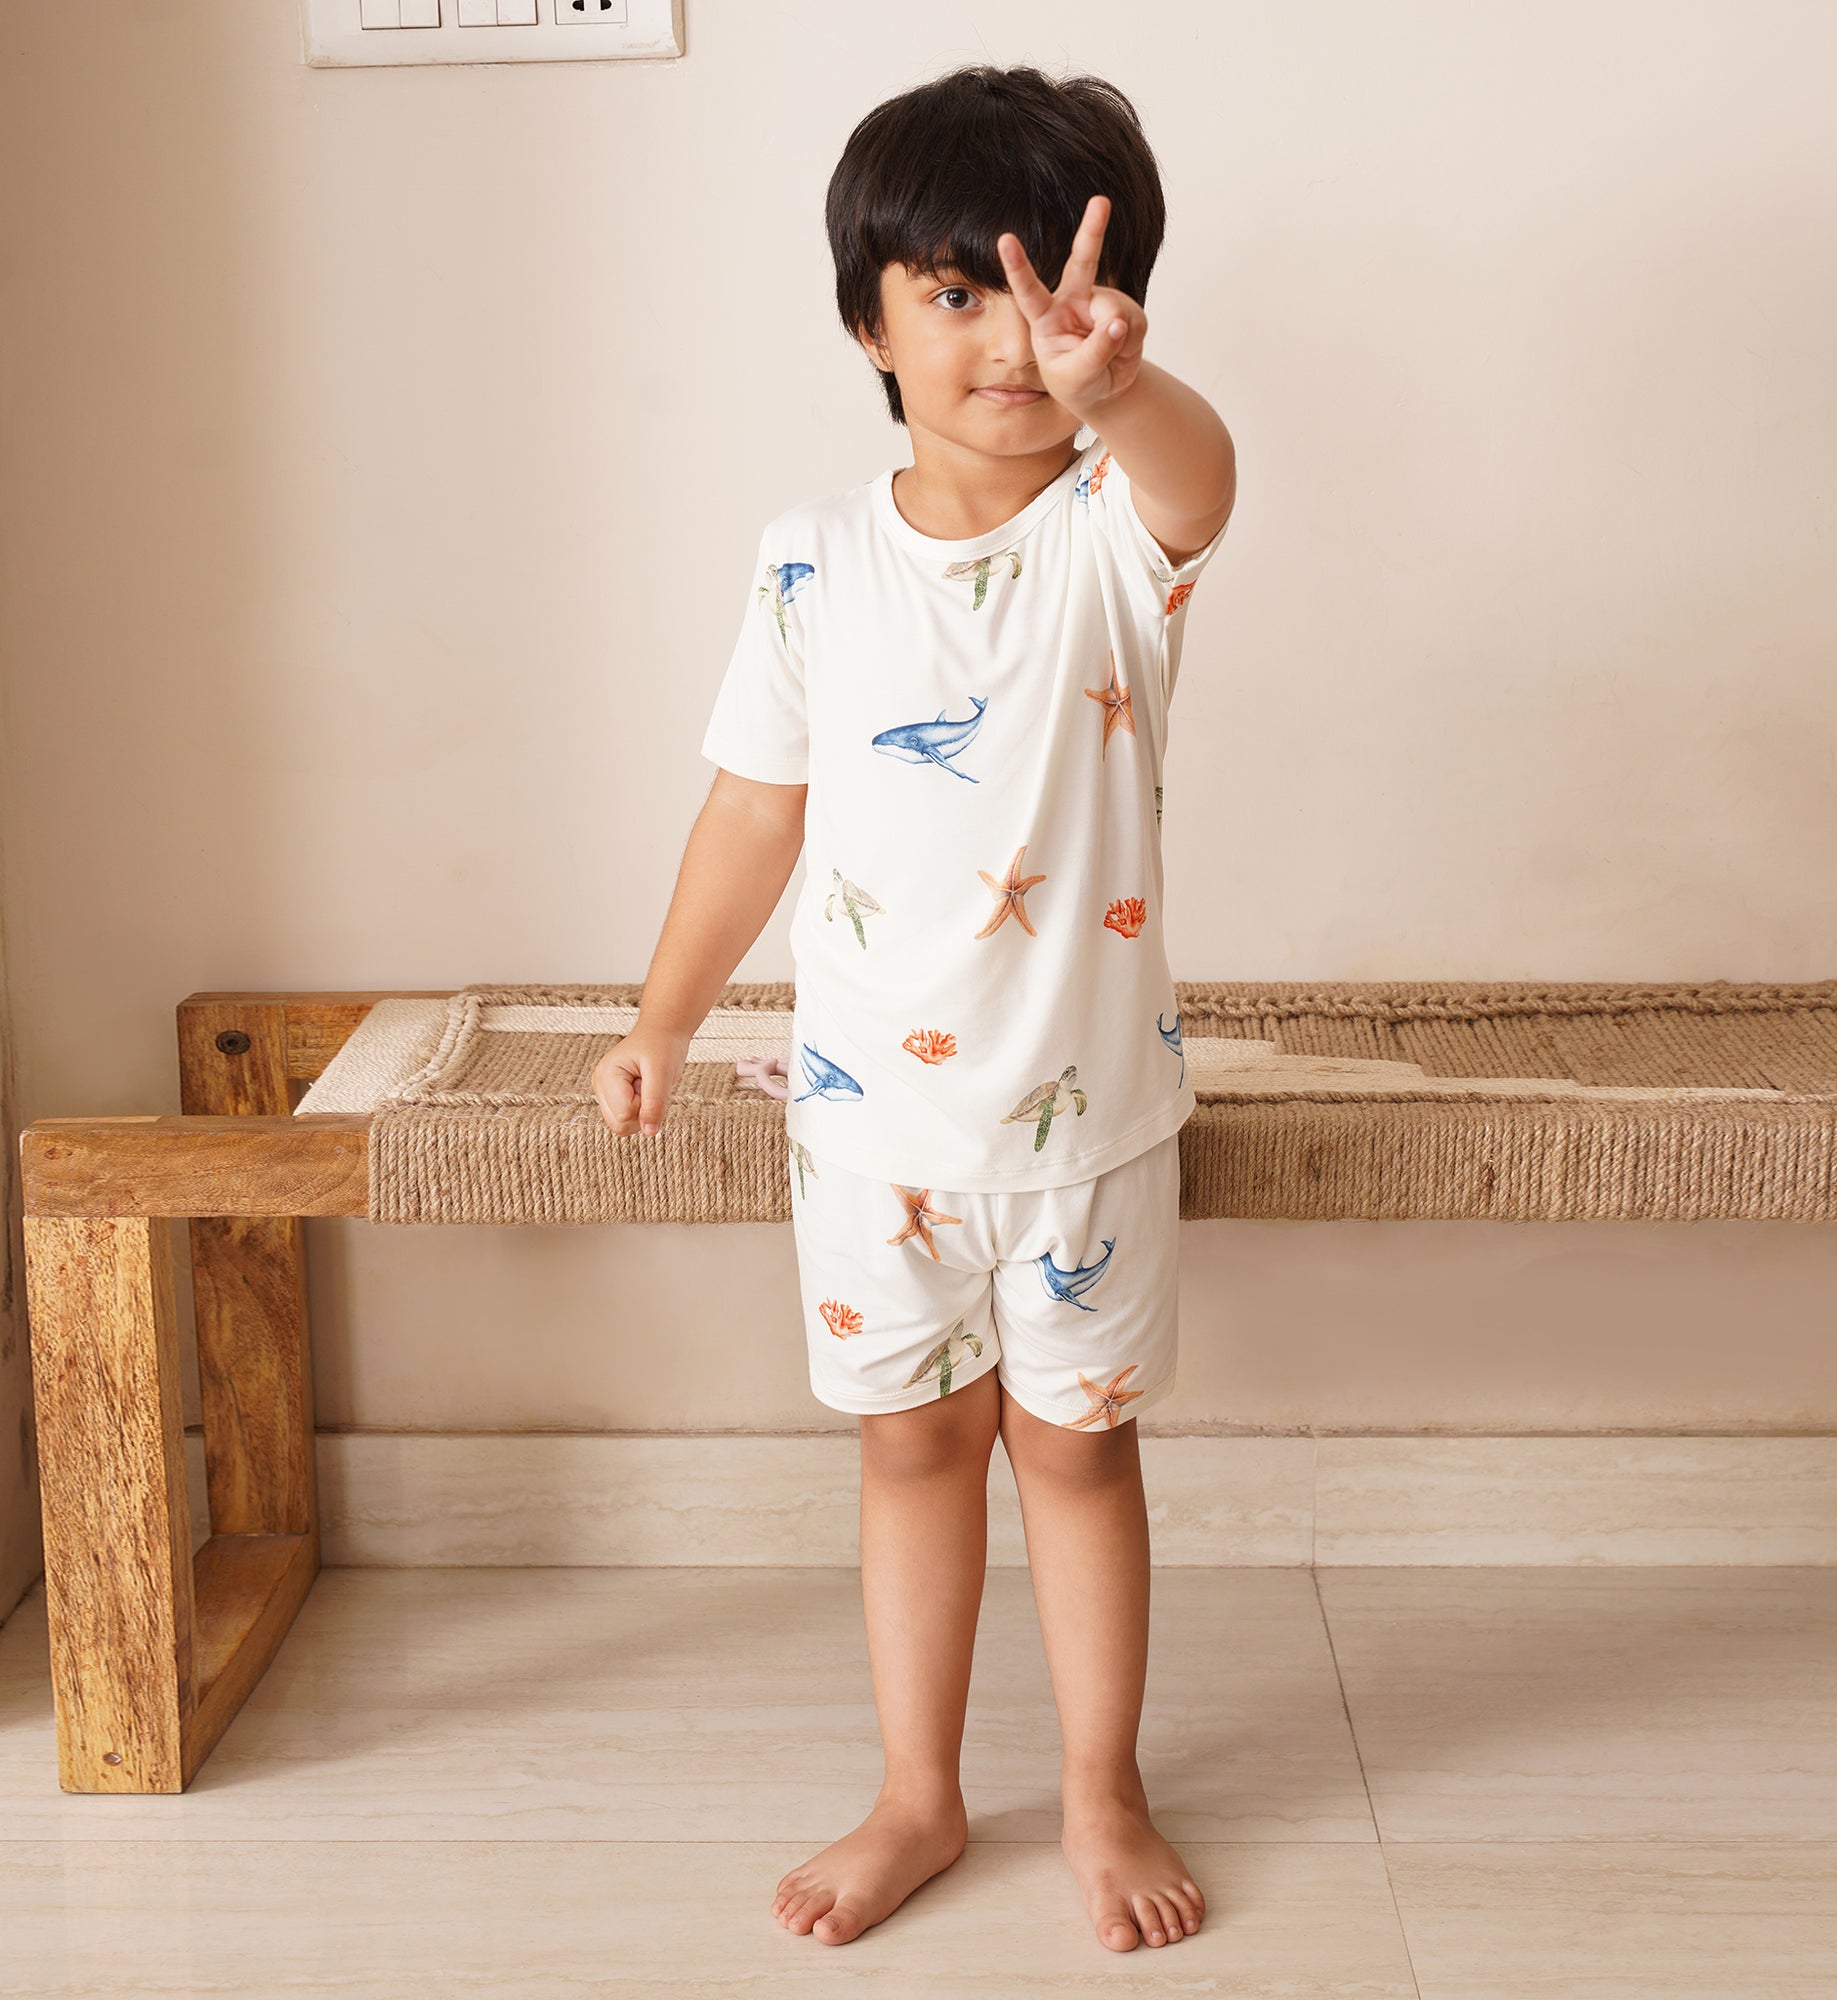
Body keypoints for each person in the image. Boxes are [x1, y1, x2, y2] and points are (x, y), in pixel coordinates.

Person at [593, 62, 1235, 1954]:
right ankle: (920, 1792)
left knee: (1081, 1456)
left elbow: (1206, 477)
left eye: (1049, 299)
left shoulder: (1120, 537)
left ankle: (1107, 1790)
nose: (1008, 342)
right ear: (867, 317)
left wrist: (1132, 396)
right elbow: (752, 809)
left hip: (1086, 1130)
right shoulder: (812, 557)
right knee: (910, 1452)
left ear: (1110, 320)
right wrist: (661, 1013)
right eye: (958, 294)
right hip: (870, 1140)